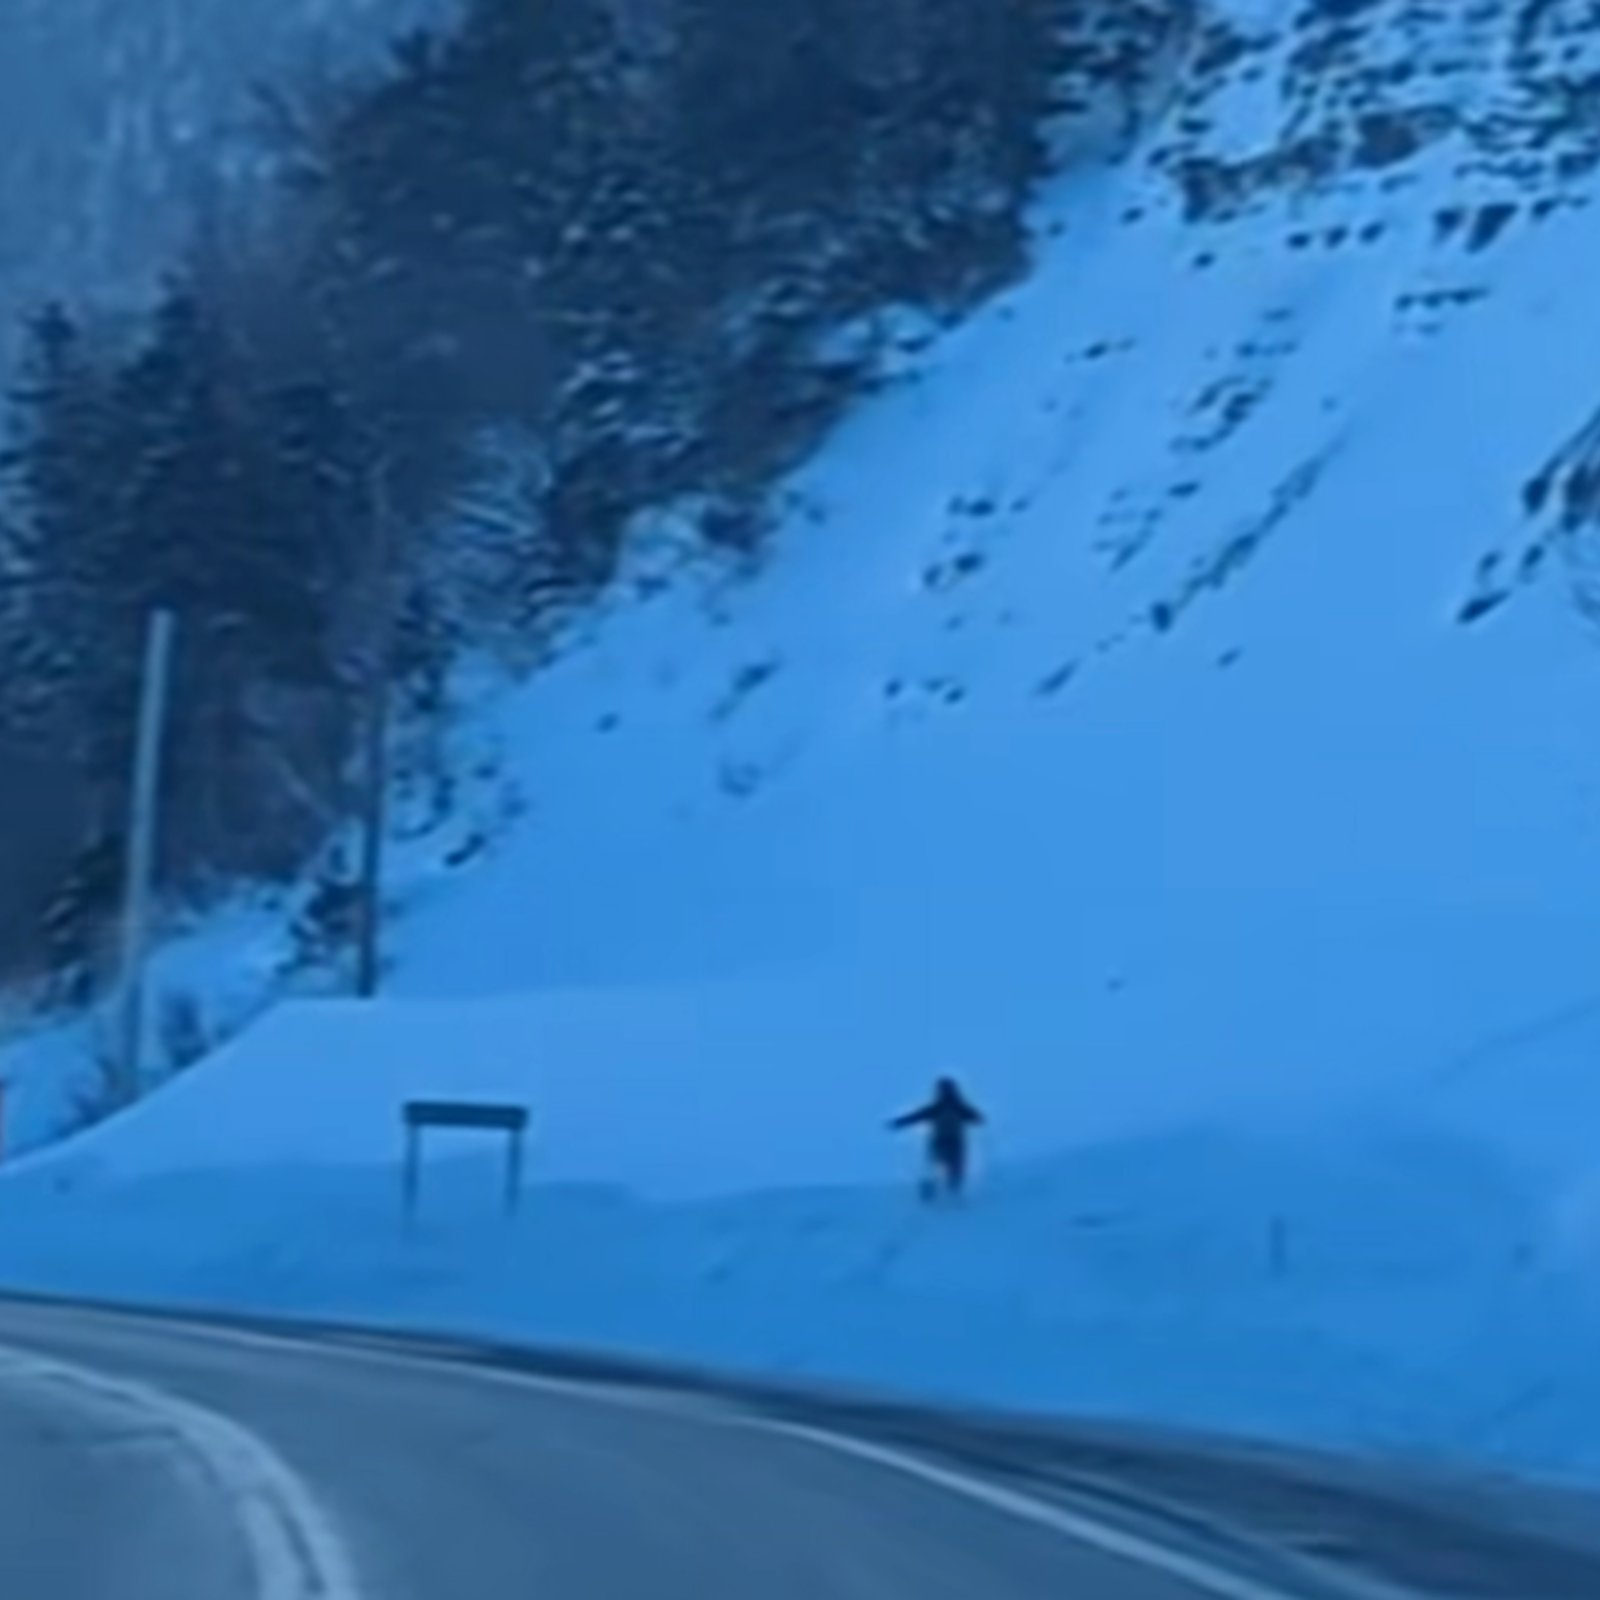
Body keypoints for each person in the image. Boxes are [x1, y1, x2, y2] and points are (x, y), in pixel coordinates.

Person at [888, 1076, 984, 1203]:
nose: (945, 1093)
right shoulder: (950, 1107)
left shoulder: (953, 1107)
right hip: (947, 1142)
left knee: (946, 1170)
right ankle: (942, 1196)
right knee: (942, 1170)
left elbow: (978, 1118)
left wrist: (899, 1123)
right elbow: (978, 1118)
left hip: (950, 1142)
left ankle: (945, 1196)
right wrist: (899, 1122)